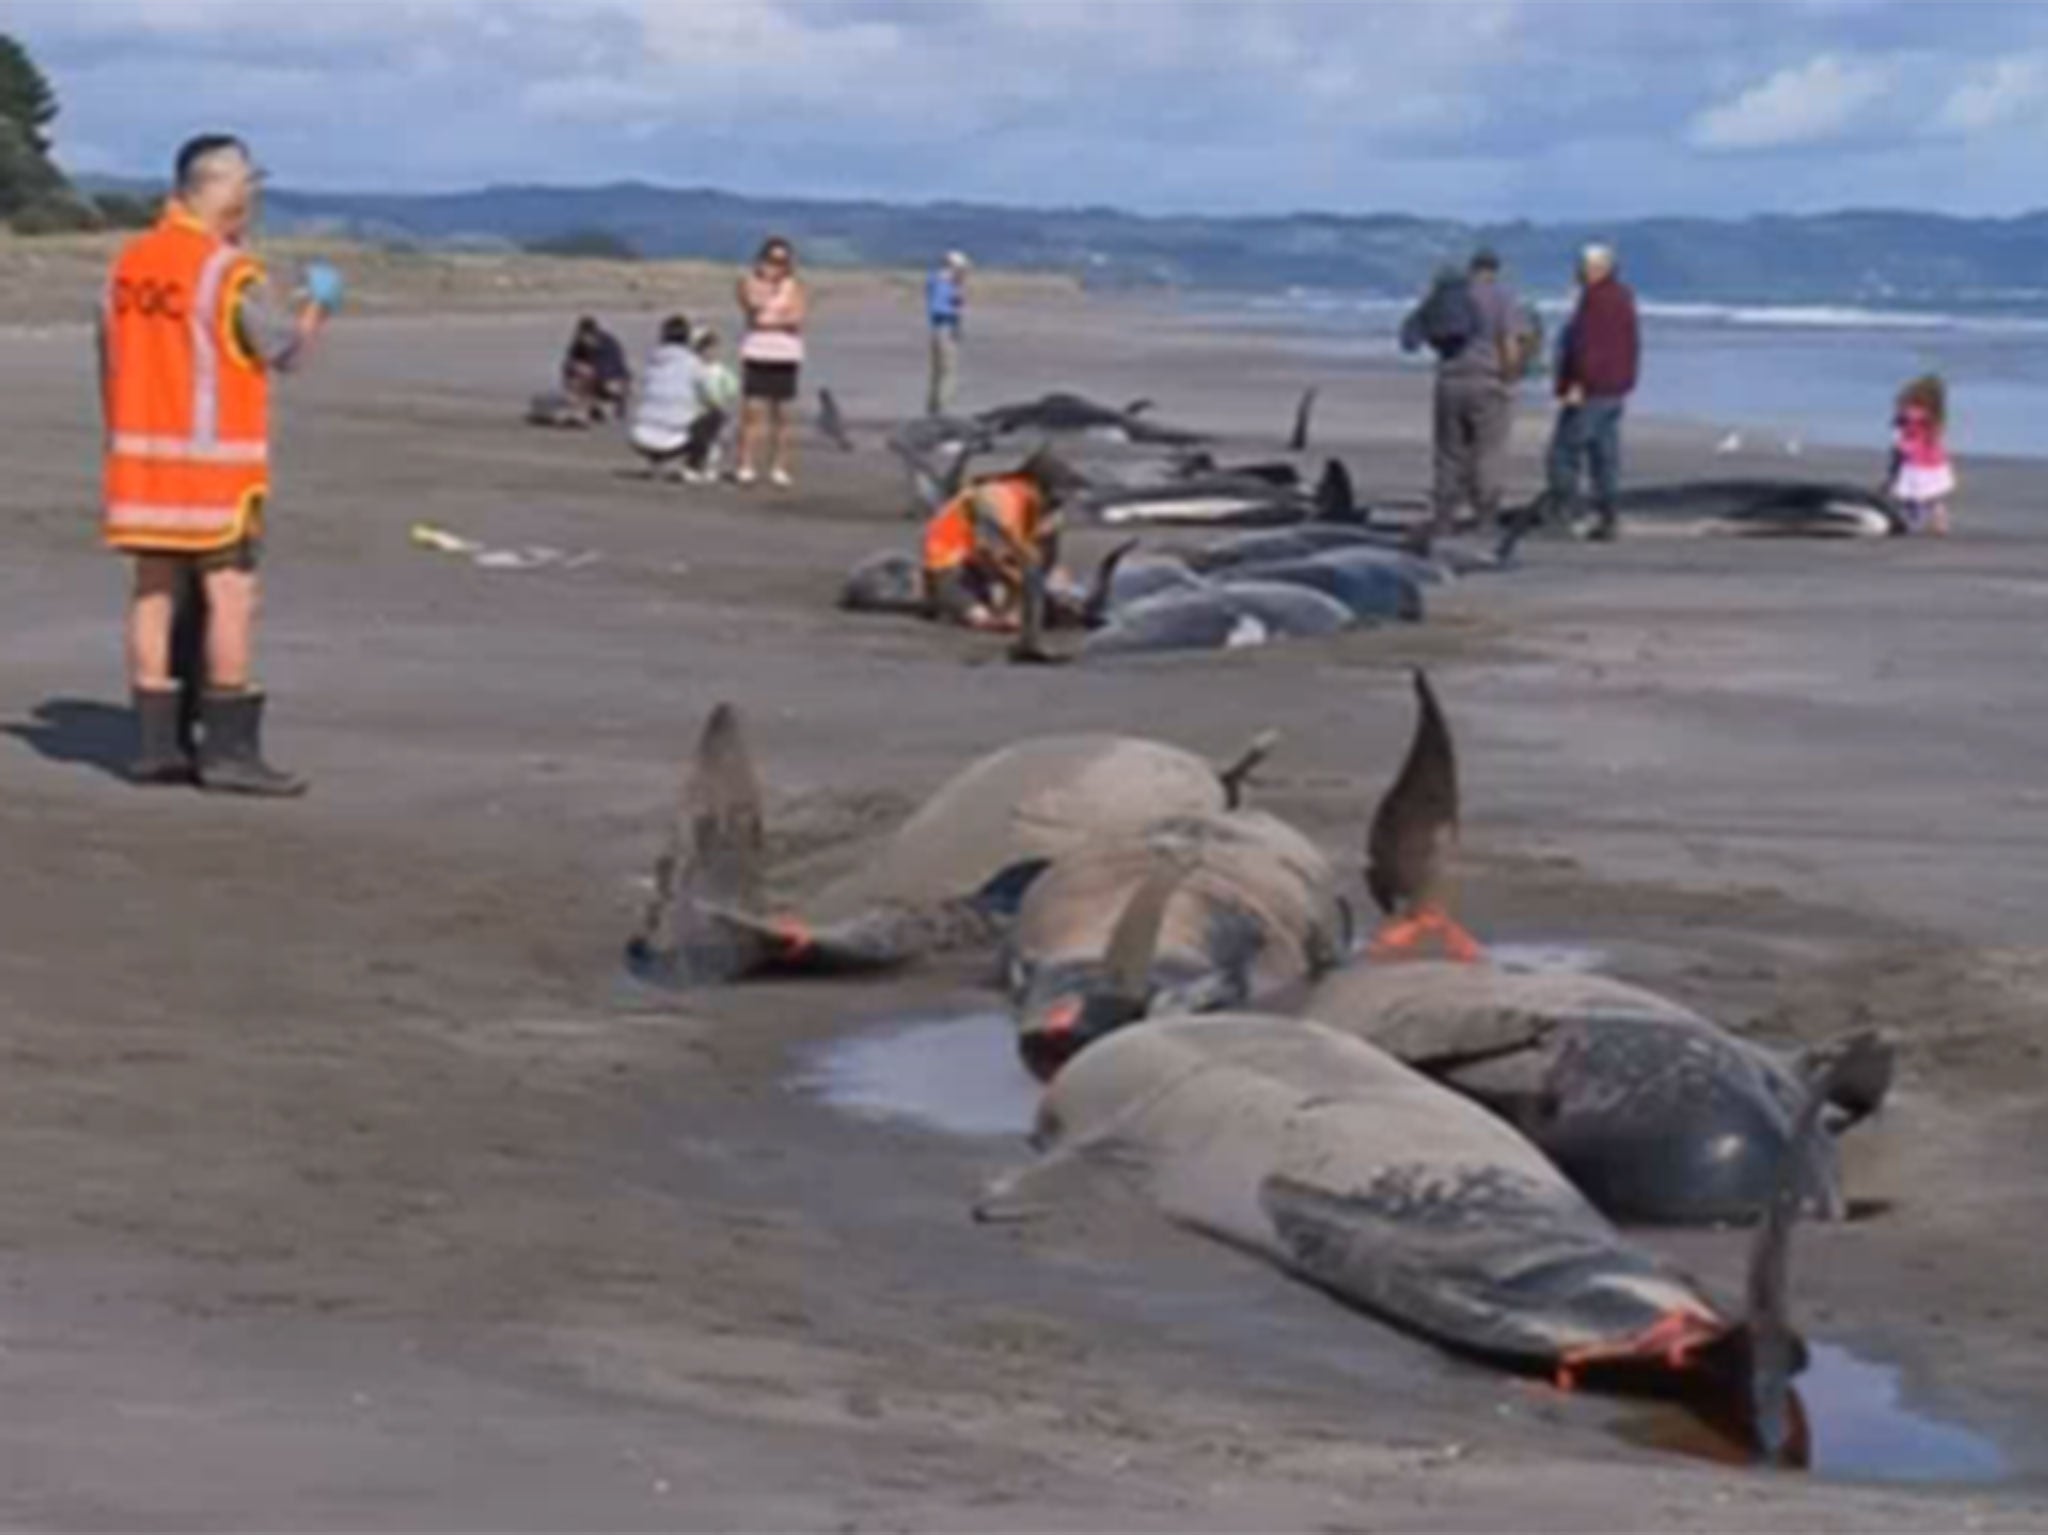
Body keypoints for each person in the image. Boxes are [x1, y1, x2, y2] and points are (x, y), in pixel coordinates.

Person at [100, 132, 336, 795]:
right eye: (249, 186)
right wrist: (321, 305)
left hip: (140, 464)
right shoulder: (227, 272)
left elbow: (110, 361)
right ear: (224, 188)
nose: (253, 199)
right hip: (213, 474)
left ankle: (154, 745)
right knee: (230, 594)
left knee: (152, 591)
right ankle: (229, 749)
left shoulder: (127, 264)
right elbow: (283, 349)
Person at [1398, 248, 1536, 553]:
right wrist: (1511, 375)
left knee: (1449, 452)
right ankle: (1485, 516)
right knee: (1487, 451)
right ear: (1495, 270)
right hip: (1487, 382)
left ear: (1471, 269)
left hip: (1449, 380)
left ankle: (1445, 515)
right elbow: (1511, 341)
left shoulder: (1448, 295)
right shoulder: (1502, 298)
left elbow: (1414, 336)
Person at [921, 448, 1085, 631]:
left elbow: (1039, 556)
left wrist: (1053, 581)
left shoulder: (1041, 512)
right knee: (968, 603)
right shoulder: (1000, 498)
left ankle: (1007, 608)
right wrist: (1026, 585)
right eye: (1057, 496)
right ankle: (979, 612)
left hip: (992, 566)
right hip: (955, 562)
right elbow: (991, 551)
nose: (1059, 504)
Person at [1542, 243, 1640, 544]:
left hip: (1593, 388)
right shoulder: (1623, 298)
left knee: (1564, 451)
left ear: (1597, 269)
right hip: (1614, 388)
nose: (1578, 272)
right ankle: (1607, 516)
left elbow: (1587, 346)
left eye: (1583, 266)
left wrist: (1576, 383)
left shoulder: (1596, 301)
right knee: (1604, 455)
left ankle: (1566, 514)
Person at [733, 236, 808, 487]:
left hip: (785, 354)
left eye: (783, 261)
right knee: (751, 412)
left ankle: (779, 466)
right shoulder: (748, 282)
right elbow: (753, 309)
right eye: (772, 260)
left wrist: (772, 319)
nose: (777, 266)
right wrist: (768, 294)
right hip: (756, 352)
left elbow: (796, 317)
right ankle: (745, 463)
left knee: (783, 414)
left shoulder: (795, 285)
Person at [627, 314, 703, 480]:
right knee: (713, 416)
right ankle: (693, 467)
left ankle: (655, 463)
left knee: (659, 407)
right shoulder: (693, 363)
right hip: (675, 437)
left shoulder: (652, 360)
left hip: (639, 435)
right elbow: (705, 391)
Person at [1888, 374, 1955, 535]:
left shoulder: (1912, 414)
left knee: (1912, 495)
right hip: (1935, 461)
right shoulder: (1935, 416)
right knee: (1934, 497)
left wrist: (1899, 443)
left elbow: (1900, 430)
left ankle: (1914, 522)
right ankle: (1940, 522)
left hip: (1916, 462)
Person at [926, 249, 970, 416]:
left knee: (939, 373)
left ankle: (934, 410)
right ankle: (941, 412)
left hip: (941, 330)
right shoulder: (943, 284)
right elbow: (939, 310)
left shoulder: (940, 282)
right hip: (944, 329)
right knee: (946, 373)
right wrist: (955, 304)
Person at [562, 315, 631, 421]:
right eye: (580, 336)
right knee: (576, 376)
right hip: (590, 383)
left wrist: (590, 370)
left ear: (593, 334)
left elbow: (613, 369)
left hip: (612, 380)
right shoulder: (578, 345)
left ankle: (609, 405)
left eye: (585, 337)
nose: (583, 340)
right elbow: (567, 366)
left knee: (610, 386)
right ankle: (584, 407)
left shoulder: (608, 343)